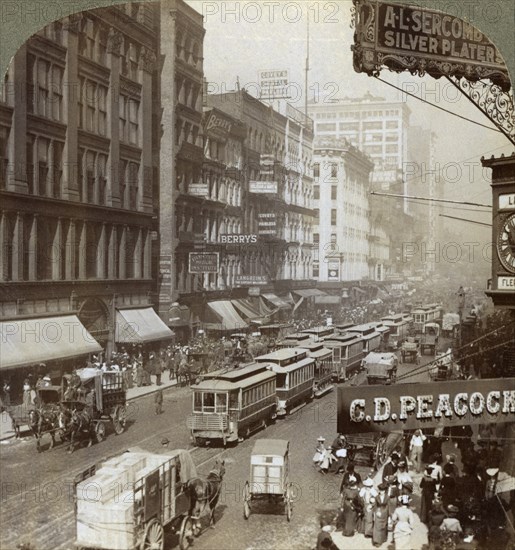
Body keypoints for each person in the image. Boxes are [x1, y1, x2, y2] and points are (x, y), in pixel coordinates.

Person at [372, 482, 389, 547]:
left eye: (383, 490)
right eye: (380, 490)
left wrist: (389, 515)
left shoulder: (387, 497)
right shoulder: (377, 497)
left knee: (384, 526)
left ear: (385, 490)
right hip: (378, 512)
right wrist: (375, 513)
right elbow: (375, 506)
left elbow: (388, 506)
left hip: (385, 512)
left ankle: (383, 538)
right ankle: (377, 541)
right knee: (377, 526)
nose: (381, 492)